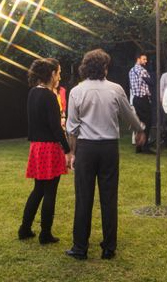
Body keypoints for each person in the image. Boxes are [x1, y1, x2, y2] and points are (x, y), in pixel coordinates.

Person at [65, 49, 146, 261]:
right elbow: (130, 114)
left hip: (86, 149)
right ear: (105, 68)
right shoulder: (115, 89)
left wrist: (72, 152)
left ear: (85, 67)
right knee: (109, 198)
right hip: (109, 149)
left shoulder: (76, 91)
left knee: (84, 198)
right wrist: (139, 129)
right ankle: (109, 247)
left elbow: (72, 127)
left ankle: (80, 247)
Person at [18, 58, 72, 244]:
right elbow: (56, 128)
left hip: (36, 147)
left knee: (38, 190)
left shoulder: (32, 93)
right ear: (51, 74)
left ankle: (24, 228)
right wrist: (67, 149)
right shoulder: (49, 96)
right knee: (50, 192)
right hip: (49, 147)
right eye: (58, 72)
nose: (60, 76)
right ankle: (45, 233)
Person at [128, 52, 153, 153]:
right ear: (138, 59)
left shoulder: (131, 70)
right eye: (144, 59)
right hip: (142, 99)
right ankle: (145, 146)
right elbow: (150, 82)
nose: (146, 62)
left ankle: (139, 146)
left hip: (135, 99)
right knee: (148, 122)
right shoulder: (141, 70)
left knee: (139, 123)